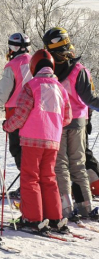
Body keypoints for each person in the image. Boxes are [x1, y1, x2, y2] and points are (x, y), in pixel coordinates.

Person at [3, 49, 72, 233]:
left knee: (30, 178)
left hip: (32, 140)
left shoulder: (31, 86)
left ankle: (33, 218)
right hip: (53, 141)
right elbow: (67, 117)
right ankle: (55, 217)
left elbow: (21, 115)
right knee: (49, 178)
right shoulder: (60, 89)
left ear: (34, 67)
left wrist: (7, 126)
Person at [43, 27, 99, 220]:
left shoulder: (48, 70)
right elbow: (90, 99)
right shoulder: (78, 70)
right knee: (78, 164)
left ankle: (66, 208)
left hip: (56, 123)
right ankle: (86, 205)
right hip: (78, 122)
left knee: (60, 166)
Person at [0, 32, 32, 199]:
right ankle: (33, 184)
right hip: (35, 113)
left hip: (16, 111)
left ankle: (27, 186)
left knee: (17, 149)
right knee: (31, 150)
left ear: (13, 47)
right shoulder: (36, 62)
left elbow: (4, 94)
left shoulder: (12, 65)